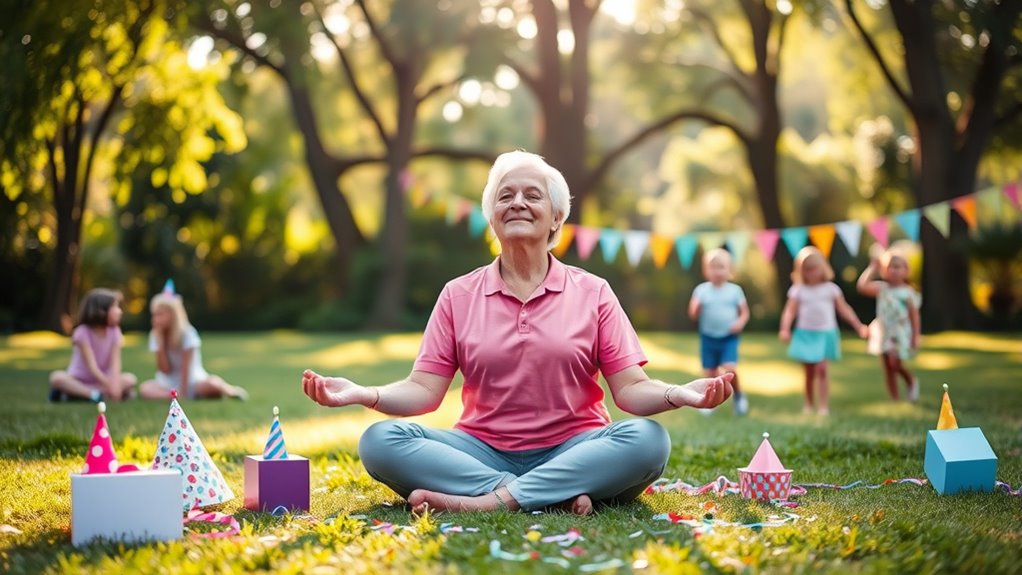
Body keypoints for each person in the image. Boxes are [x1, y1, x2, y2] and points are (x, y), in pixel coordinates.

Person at [302, 150, 734, 516]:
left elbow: (631, 389)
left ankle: (490, 502)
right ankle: (549, 494)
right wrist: (364, 393)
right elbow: (423, 391)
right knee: (380, 441)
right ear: (491, 217)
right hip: (479, 449)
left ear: (556, 217)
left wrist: (679, 394)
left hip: (575, 447)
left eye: (532, 195)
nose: (518, 203)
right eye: (505, 196)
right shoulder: (458, 294)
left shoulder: (593, 292)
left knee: (648, 441)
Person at [779, 246, 868, 416]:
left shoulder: (831, 289)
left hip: (825, 333)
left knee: (822, 369)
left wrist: (858, 326)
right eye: (807, 270)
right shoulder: (798, 290)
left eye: (814, 268)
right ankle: (808, 404)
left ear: (823, 268)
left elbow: (844, 309)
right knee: (809, 372)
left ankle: (823, 406)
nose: (811, 273)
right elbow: (790, 311)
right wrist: (785, 328)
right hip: (805, 334)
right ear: (800, 271)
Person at [138, 288, 248, 400]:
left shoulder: (187, 333)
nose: (155, 319)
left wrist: (184, 392)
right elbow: (164, 370)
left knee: (212, 384)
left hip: (192, 380)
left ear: (173, 314)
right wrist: (160, 345)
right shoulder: (155, 335)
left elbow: (186, 368)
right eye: (154, 315)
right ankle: (172, 395)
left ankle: (229, 390)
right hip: (167, 382)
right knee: (145, 388)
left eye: (160, 315)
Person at [688, 248, 750, 415]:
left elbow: (744, 312)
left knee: (730, 368)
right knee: (710, 373)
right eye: (712, 267)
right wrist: (696, 309)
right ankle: (709, 401)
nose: (717, 271)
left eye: (721, 267)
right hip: (708, 337)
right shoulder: (701, 290)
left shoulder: (735, 291)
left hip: (728, 336)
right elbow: (693, 313)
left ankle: (738, 395)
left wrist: (740, 322)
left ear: (730, 270)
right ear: (706, 270)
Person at [856, 246, 921, 401]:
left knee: (895, 364)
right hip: (884, 332)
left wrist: (915, 336)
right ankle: (895, 399)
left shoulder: (908, 293)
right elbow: (862, 286)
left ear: (906, 270)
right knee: (887, 367)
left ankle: (910, 381)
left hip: (900, 332)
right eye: (889, 267)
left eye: (897, 267)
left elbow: (914, 316)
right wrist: (873, 267)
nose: (893, 270)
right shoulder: (882, 288)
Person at [49, 288, 137, 402]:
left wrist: (114, 384)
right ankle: (94, 394)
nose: (119, 311)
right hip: (79, 379)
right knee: (57, 378)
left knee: (130, 379)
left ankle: (78, 394)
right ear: (101, 310)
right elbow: (92, 367)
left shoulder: (115, 331)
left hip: (103, 380)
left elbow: (115, 363)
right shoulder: (82, 332)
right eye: (115, 307)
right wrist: (109, 385)